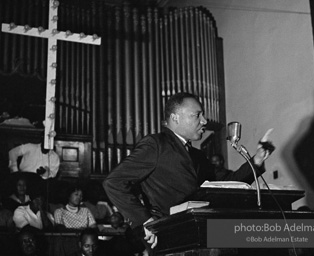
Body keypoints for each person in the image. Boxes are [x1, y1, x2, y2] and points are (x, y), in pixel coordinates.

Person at [103, 92, 273, 251]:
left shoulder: (197, 155)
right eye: (197, 115)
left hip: (202, 234)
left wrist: (257, 160)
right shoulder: (155, 144)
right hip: (169, 236)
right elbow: (114, 182)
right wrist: (145, 221)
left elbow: (230, 182)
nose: (204, 121)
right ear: (175, 118)